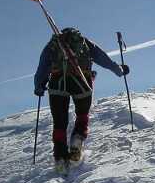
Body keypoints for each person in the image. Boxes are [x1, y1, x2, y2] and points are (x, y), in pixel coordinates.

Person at [34, 27, 129, 172]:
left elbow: (42, 67)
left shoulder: (52, 45)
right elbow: (104, 59)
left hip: (57, 83)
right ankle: (77, 141)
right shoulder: (85, 42)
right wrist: (119, 70)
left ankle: (60, 159)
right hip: (82, 80)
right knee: (82, 114)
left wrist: (39, 86)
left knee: (59, 122)